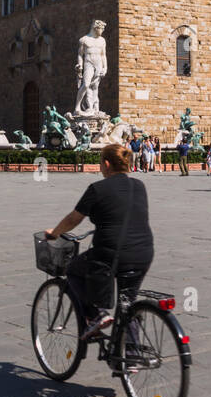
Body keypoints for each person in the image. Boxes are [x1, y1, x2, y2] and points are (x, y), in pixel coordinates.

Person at [45, 143, 154, 341]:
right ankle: (132, 355)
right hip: (143, 253)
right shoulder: (139, 186)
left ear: (106, 164)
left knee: (72, 270)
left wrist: (55, 232)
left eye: (100, 163)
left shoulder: (97, 189)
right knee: (126, 302)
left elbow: (73, 219)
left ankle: (96, 316)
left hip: (110, 254)